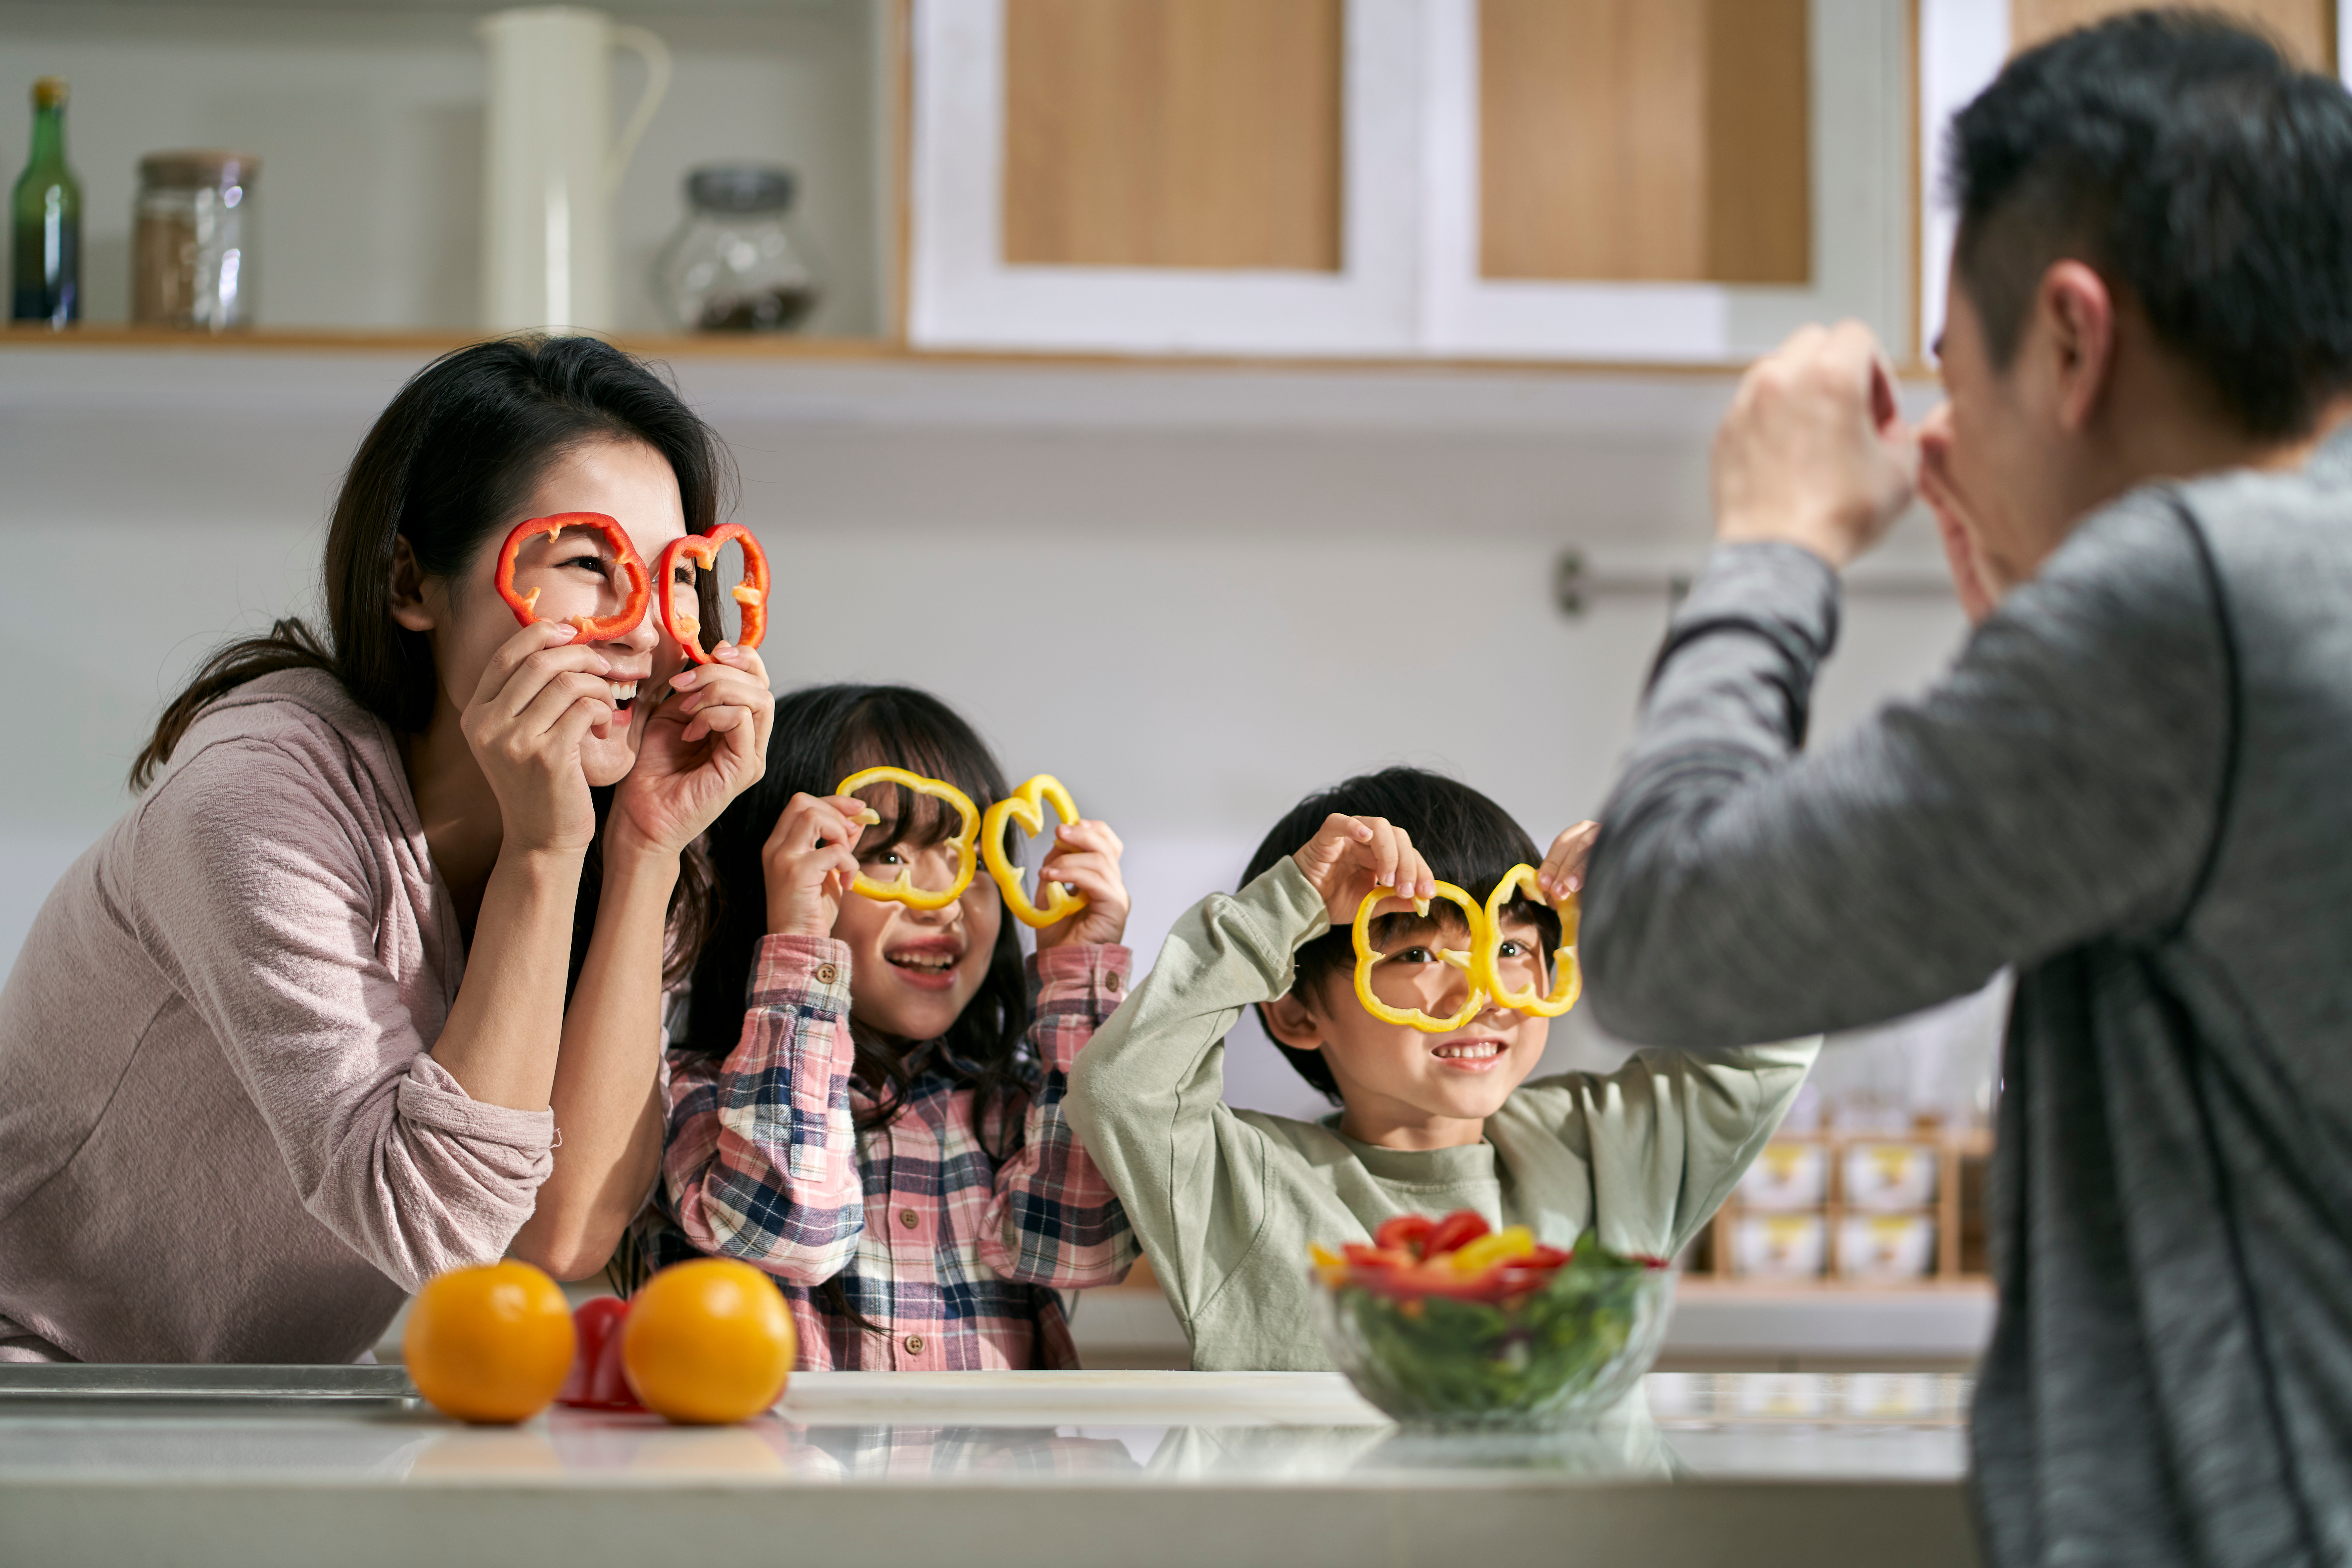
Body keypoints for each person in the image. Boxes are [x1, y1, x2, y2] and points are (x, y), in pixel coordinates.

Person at [1571, 14, 2352, 1566]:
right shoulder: (2277, 586)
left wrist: (1768, 548)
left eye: (1954, 369)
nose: (1944, 430)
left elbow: (1662, 933)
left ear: (2068, 338)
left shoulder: (2189, 598)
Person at [0, 337, 774, 1364]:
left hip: (248, 1410)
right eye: (589, 562)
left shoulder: (622, 820)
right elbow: (442, 1234)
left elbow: (558, 1233)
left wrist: (643, 852)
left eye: (677, 574)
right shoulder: (252, 803)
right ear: (412, 579)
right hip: (38, 1377)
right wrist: (542, 854)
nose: (646, 631)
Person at [1066, 767, 1815, 1371]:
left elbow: (1776, 1026)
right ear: (1296, 1012)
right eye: (1415, 954)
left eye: (1514, 948)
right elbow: (1122, 1088)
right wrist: (1282, 908)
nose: (1480, 993)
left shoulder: (1603, 1151)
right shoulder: (1242, 1188)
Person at [636, 685, 1138, 1368]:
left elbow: (1085, 1245)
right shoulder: (696, 1094)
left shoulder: (1014, 1104)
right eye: (888, 856)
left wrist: (1081, 978)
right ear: (775, 880)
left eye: (975, 859)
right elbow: (789, 1231)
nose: (945, 903)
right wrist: (802, 954)